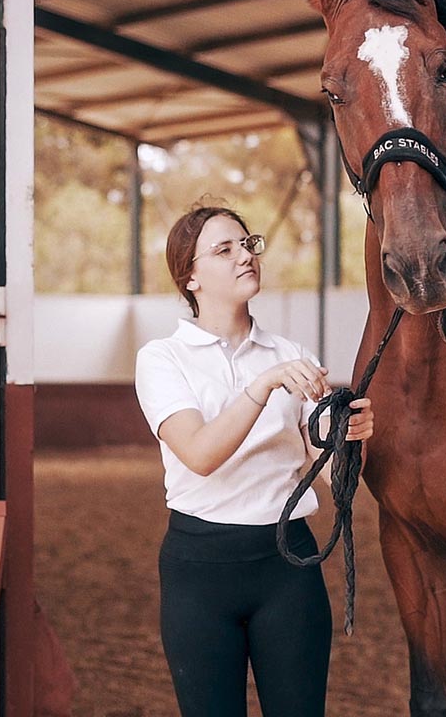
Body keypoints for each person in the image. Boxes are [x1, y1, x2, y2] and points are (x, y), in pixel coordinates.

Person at [134, 205, 374, 717]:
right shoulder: (162, 359)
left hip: (288, 569)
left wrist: (350, 439)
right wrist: (262, 386)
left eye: (248, 244)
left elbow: (333, 477)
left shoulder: (291, 354)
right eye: (225, 249)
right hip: (199, 572)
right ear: (190, 277)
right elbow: (199, 453)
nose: (245, 255)